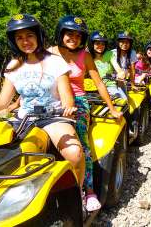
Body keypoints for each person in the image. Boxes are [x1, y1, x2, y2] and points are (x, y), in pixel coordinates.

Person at [0, 14, 85, 197]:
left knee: (75, 153)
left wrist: (68, 107)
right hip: (24, 119)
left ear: (38, 36)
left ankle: (78, 195)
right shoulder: (13, 65)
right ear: (14, 41)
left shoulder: (55, 62)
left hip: (52, 117)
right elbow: (2, 102)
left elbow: (67, 96)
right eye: (19, 37)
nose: (25, 41)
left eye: (29, 35)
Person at [49, 15, 123, 212]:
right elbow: (37, 80)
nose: (73, 38)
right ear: (60, 34)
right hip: (52, 102)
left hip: (79, 102)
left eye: (78, 35)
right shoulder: (49, 53)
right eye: (69, 34)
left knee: (82, 142)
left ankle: (88, 190)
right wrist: (16, 104)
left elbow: (99, 83)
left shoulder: (85, 56)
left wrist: (112, 108)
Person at [88, 30, 127, 99]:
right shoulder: (87, 56)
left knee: (122, 101)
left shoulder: (109, 55)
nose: (100, 46)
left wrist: (121, 74)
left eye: (103, 44)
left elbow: (118, 68)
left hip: (109, 86)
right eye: (97, 43)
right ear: (92, 44)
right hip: (91, 88)